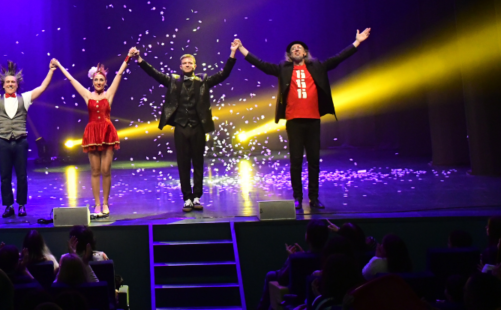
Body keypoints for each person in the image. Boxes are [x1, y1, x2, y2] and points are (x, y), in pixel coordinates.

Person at [237, 28, 371, 211]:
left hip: (313, 120)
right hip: (294, 121)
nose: (296, 49)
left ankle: (314, 198)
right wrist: (242, 49)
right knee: (296, 161)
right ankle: (297, 198)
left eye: (299, 47)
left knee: (314, 161)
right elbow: (261, 64)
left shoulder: (317, 66)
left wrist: (357, 42)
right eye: (293, 49)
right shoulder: (283, 69)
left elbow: (338, 58)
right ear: (289, 55)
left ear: (305, 53)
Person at [129, 39, 239, 212]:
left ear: (195, 65)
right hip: (181, 127)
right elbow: (154, 74)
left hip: (198, 127)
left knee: (198, 162)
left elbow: (223, 74)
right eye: (184, 63)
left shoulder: (203, 81)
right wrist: (139, 59)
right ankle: (187, 198)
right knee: (183, 163)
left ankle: (197, 197)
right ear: (180, 67)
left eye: (190, 63)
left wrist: (232, 53)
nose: (187, 65)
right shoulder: (174, 81)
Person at [0, 60, 56, 218]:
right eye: (7, 82)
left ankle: (21, 205)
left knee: (22, 175)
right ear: (3, 85)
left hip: (21, 142)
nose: (10, 84)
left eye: (12, 82)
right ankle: (8, 206)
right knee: (5, 176)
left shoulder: (25, 98)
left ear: (17, 84)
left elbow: (42, 87)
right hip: (3, 142)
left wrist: (51, 71)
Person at [52, 57, 128, 218]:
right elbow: (71, 79)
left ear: (105, 82)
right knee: (95, 171)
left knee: (105, 170)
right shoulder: (87, 95)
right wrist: (59, 65)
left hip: (107, 133)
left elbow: (119, 74)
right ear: (92, 81)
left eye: (101, 80)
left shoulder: (109, 94)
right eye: (96, 80)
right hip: (92, 134)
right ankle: (97, 204)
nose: (98, 82)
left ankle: (105, 203)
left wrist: (128, 57)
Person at [256, 219, 329, 310]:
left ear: (307, 237)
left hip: (298, 302)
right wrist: (302, 255)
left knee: (271, 277)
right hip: (319, 300)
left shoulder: (296, 259)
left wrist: (289, 259)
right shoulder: (331, 258)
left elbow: (281, 279)